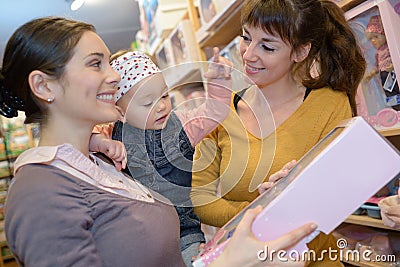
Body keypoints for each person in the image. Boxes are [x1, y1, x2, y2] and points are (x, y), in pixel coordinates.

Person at [0, 16, 320, 267]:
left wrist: (262, 208)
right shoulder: (40, 195)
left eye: (109, 63)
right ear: (43, 86)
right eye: (96, 63)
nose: (113, 75)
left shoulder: (101, 164)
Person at [191, 0, 366, 265]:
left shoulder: (330, 104)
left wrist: (288, 201)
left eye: (267, 46)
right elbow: (199, 197)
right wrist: (264, 212)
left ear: (301, 51)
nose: (248, 54)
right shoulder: (220, 110)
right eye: (246, 38)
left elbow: (336, 201)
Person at [90, 48, 232, 266]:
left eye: (164, 95)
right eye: (148, 103)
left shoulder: (183, 125)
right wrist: (101, 143)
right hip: (139, 239)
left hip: (185, 234)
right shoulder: (110, 132)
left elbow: (214, 111)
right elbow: (84, 138)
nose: (162, 106)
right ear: (120, 112)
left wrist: (218, 83)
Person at [364, 14, 399, 111]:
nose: (373, 41)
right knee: (388, 91)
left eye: (376, 36)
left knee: (396, 88)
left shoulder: (389, 48)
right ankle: (395, 108)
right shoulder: (378, 53)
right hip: (384, 75)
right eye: (371, 38)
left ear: (384, 34)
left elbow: (395, 57)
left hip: (392, 74)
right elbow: (377, 65)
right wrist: (371, 73)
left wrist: (394, 66)